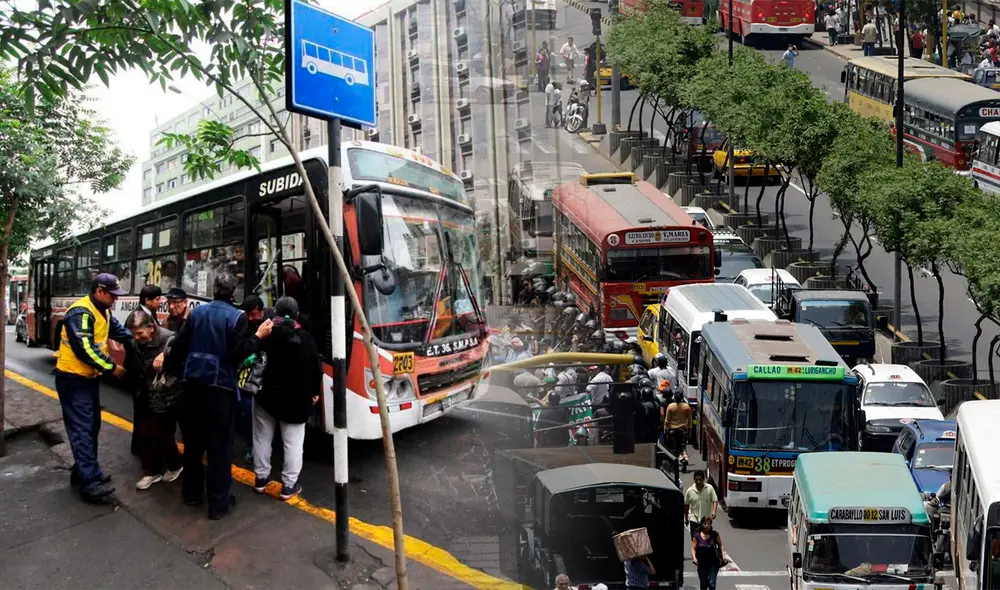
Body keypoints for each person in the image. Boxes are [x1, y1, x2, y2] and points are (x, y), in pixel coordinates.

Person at [165, 273, 274, 520]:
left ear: (214, 290)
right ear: (233, 293)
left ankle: (191, 494)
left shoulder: (196, 314)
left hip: (192, 387)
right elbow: (238, 353)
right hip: (220, 391)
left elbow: (179, 346)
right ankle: (218, 503)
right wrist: (259, 336)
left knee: (193, 445)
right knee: (219, 448)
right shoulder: (237, 318)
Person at [55, 273, 131, 503]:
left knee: (91, 426)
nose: (115, 300)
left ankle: (84, 472)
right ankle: (90, 483)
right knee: (82, 429)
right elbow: (85, 349)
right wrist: (112, 367)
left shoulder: (103, 311)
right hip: (73, 379)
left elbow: (119, 331)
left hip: (88, 379)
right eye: (112, 295)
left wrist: (141, 339)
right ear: (100, 292)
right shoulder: (81, 313)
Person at [252, 297, 322, 501]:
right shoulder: (305, 338)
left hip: (266, 397)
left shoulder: (266, 334)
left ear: (276, 312)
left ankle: (261, 479)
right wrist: (314, 391)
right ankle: (289, 486)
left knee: (262, 438)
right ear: (297, 313)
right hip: (296, 400)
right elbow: (315, 368)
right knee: (293, 444)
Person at [124, 309, 183, 490]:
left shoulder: (169, 340)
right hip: (144, 394)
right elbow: (132, 367)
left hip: (166, 396)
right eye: (133, 334)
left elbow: (182, 362)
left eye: (139, 333)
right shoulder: (134, 344)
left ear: (150, 328)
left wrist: (166, 355)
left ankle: (174, 465)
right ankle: (151, 471)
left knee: (161, 433)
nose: (136, 337)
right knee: (145, 434)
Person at [691, 516, 726, 590]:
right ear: (702, 524)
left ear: (711, 525)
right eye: (705, 524)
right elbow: (693, 548)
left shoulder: (715, 534)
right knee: (703, 584)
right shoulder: (697, 536)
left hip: (713, 563)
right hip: (702, 564)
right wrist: (694, 558)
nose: (707, 526)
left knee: (711, 583)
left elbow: (720, 545)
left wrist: (723, 555)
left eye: (708, 524)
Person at [684, 470, 718, 538]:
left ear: (704, 479)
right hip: (694, 521)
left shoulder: (709, 488)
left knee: (706, 542)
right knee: (695, 542)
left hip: (706, 522)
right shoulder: (690, 491)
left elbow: (715, 500)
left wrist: (714, 511)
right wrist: (686, 518)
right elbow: (686, 505)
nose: (698, 482)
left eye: (700, 479)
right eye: (696, 480)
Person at [664, 392, 692, 461]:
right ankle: (684, 459)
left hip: (673, 430)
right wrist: (689, 429)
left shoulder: (670, 406)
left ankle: (675, 462)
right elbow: (689, 419)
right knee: (683, 446)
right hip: (683, 430)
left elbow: (667, 420)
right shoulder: (686, 406)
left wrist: (665, 429)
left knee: (675, 447)